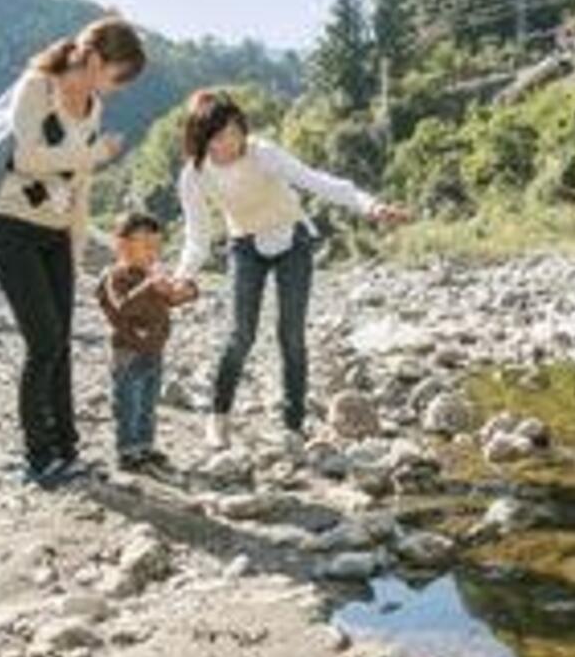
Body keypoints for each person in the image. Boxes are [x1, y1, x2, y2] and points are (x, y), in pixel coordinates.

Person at [172, 89, 410, 455]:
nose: (231, 142)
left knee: (291, 335)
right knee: (241, 335)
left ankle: (293, 426)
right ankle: (218, 418)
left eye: (236, 131)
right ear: (203, 139)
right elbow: (197, 235)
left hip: (293, 241)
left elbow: (318, 181)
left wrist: (370, 206)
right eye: (220, 136)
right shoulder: (195, 174)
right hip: (245, 246)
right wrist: (183, 274)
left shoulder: (262, 152)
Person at [0, 16, 146, 488]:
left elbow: (80, 188)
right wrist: (94, 155)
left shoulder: (92, 107)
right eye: (118, 76)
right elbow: (25, 157)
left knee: (62, 343)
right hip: (12, 228)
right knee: (44, 343)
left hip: (56, 236)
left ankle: (67, 451)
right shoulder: (38, 85)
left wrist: (75, 253)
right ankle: (37, 459)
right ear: (95, 59)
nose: (117, 89)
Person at [96, 209, 195, 473]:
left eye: (157, 246)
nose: (153, 252)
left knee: (148, 401)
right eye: (146, 246)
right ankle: (127, 450)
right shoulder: (114, 276)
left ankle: (145, 446)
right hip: (128, 351)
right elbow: (121, 307)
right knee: (129, 400)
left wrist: (186, 289)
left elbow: (173, 298)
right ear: (123, 245)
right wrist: (150, 286)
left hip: (154, 349)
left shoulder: (149, 275)